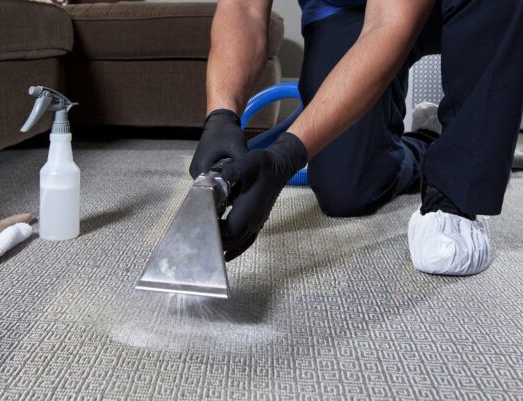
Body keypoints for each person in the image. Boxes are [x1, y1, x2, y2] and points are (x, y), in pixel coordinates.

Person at [189, 0, 523, 275]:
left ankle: (456, 193)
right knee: (346, 190)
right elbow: (243, 8)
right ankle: (428, 138)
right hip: (344, 9)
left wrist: (285, 157)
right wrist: (220, 116)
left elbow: (390, 22)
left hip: (432, 8)